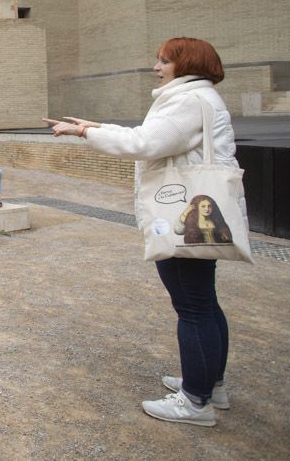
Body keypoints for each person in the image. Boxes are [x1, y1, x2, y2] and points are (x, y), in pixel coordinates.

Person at [44, 37, 241, 427]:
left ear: (187, 64)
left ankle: (195, 401)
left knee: (193, 306)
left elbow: (144, 142)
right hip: (200, 214)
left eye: (165, 60)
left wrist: (85, 134)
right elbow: (155, 134)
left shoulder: (186, 100)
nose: (157, 66)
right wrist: (96, 126)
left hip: (183, 215)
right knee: (204, 301)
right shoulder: (198, 97)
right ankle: (209, 383)